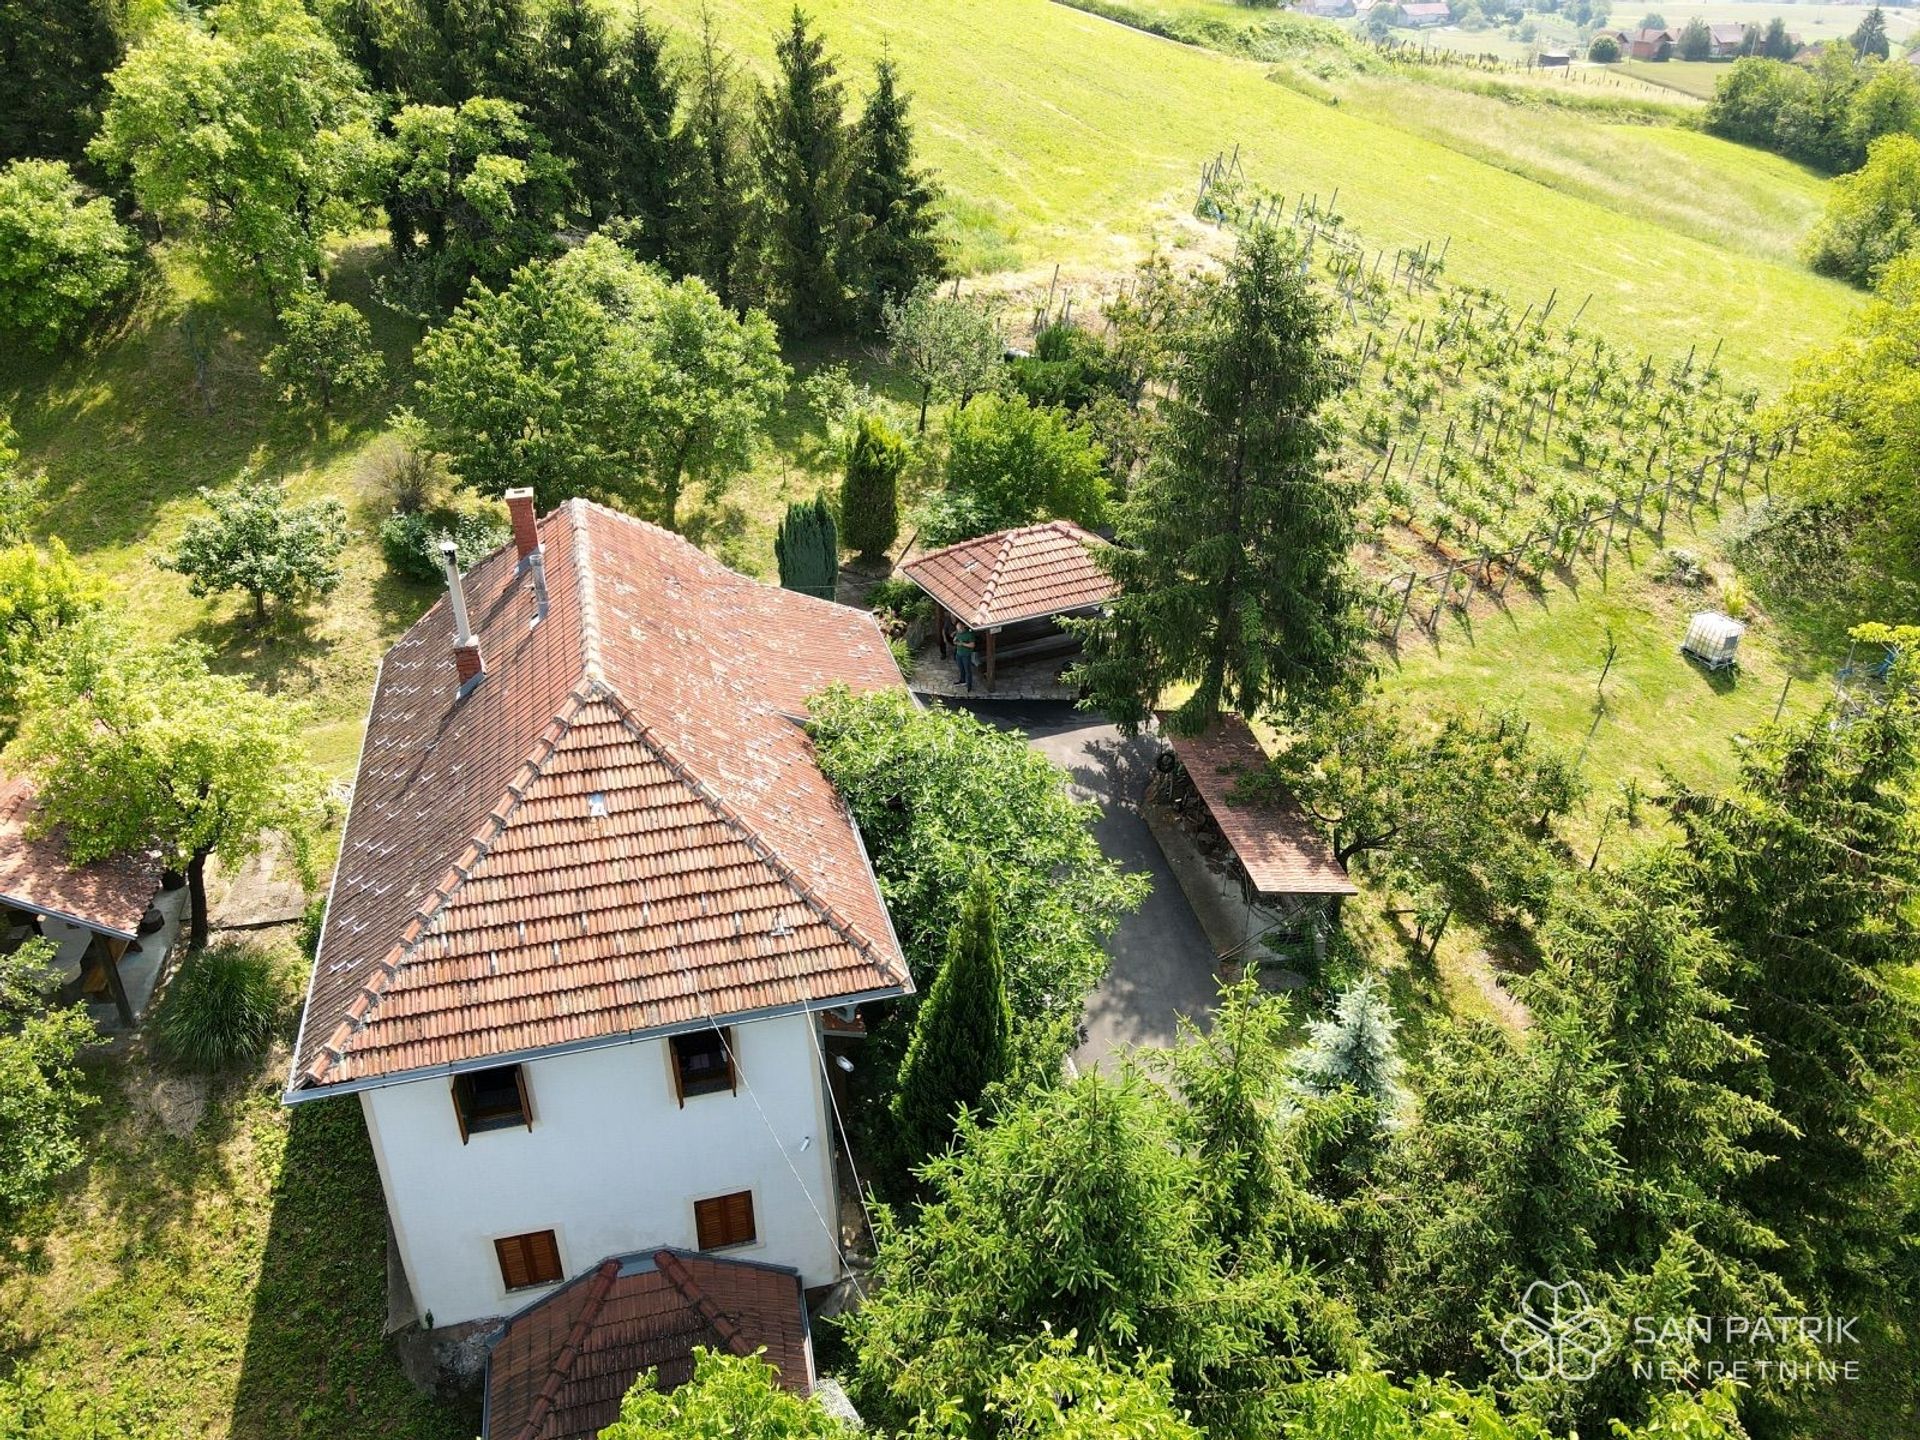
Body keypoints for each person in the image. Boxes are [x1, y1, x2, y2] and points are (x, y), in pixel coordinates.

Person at [954, 621, 978, 691]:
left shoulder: (969, 634)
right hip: (958, 654)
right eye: (958, 629)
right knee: (961, 668)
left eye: (960, 629)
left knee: (968, 670)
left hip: (966, 655)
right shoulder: (958, 632)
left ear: (963, 627)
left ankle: (969, 685)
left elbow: (972, 645)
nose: (959, 631)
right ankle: (962, 680)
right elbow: (955, 640)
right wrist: (955, 642)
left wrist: (963, 644)